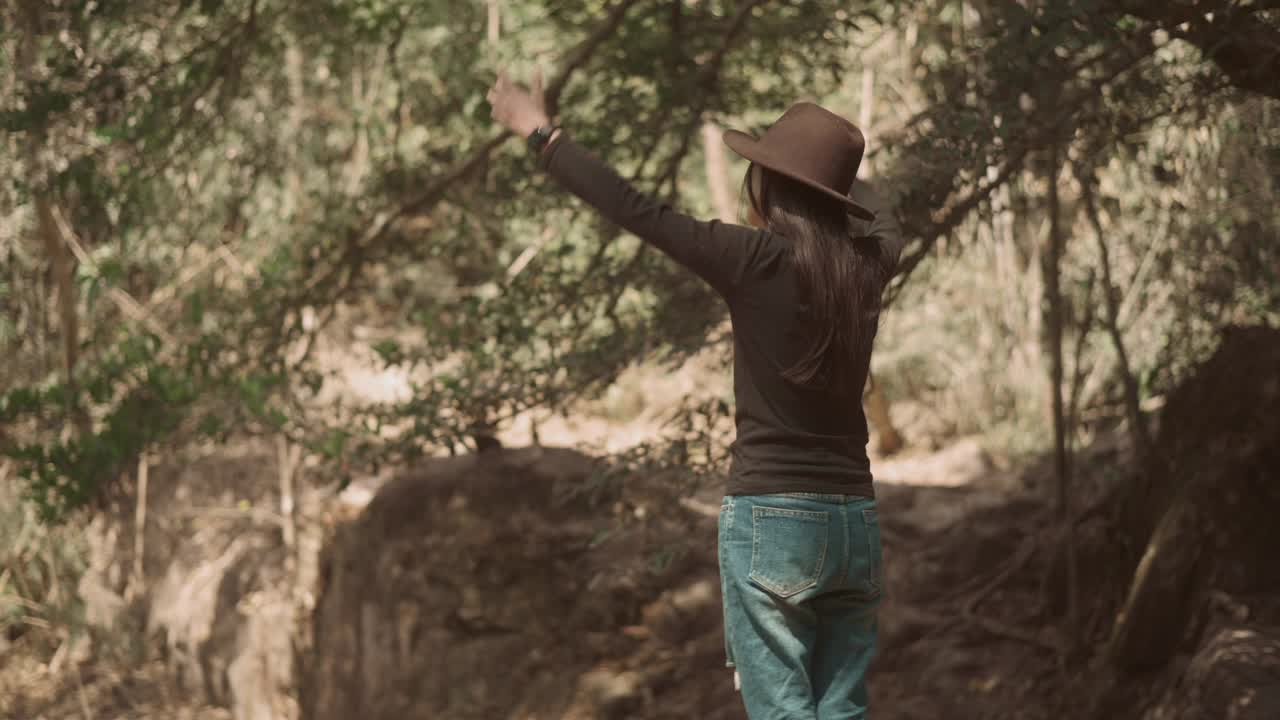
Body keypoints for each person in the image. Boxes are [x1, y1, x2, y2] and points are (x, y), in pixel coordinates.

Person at [488, 67, 903, 719]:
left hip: (772, 520)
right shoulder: (869, 269)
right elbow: (884, 211)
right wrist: (836, 182)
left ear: (769, 187)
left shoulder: (750, 261)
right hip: (853, 519)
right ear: (836, 200)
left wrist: (541, 134)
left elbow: (635, 209)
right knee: (840, 709)